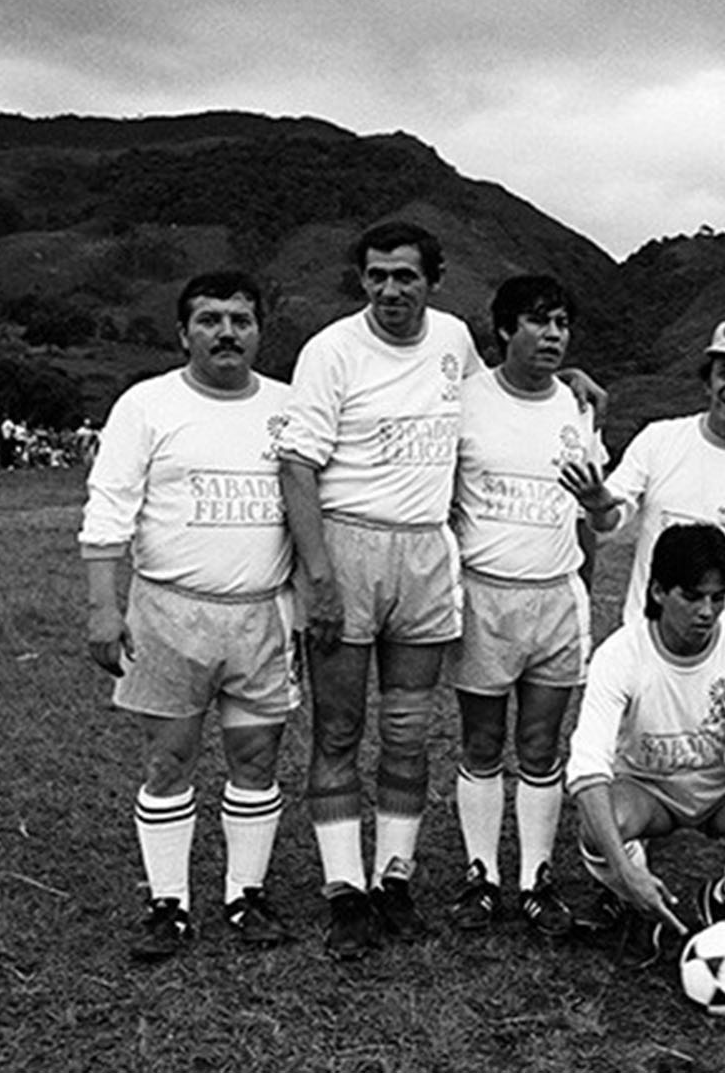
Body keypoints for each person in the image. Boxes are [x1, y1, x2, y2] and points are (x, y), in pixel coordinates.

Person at [79, 271, 297, 960]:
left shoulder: (290, 409)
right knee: (169, 757)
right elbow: (109, 507)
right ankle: (167, 904)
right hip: (170, 611)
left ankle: (244, 896)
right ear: (184, 333)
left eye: (240, 319)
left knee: (255, 754)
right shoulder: (146, 404)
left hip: (262, 614)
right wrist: (102, 606)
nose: (226, 331)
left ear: (261, 330)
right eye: (209, 319)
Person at [277, 220, 476, 959]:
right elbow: (296, 465)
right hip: (349, 543)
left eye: (406, 276)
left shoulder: (455, 340)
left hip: (424, 547)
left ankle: (394, 878)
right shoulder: (331, 350)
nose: (391, 290)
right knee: (337, 731)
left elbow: (493, 401)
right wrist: (319, 574)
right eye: (376, 276)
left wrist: (571, 384)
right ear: (361, 280)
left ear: (434, 278)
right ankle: (344, 891)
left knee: (407, 730)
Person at [564, 524, 725, 965]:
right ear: (657, 592)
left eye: (718, 597)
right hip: (648, 791)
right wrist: (627, 872)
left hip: (719, 792)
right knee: (599, 824)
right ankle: (640, 901)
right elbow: (587, 768)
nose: (707, 611)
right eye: (692, 596)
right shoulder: (620, 655)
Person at [443, 275, 609, 936]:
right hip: (485, 593)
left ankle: (535, 877)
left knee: (541, 745)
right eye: (539, 321)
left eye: (563, 323)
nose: (553, 334)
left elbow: (590, 510)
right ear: (505, 330)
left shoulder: (578, 405)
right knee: (482, 741)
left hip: (555, 595)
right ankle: (480, 874)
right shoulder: (466, 401)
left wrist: (584, 583)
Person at [562, 315, 725, 642]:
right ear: (708, 382)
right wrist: (598, 507)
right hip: (648, 641)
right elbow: (609, 520)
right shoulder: (659, 440)